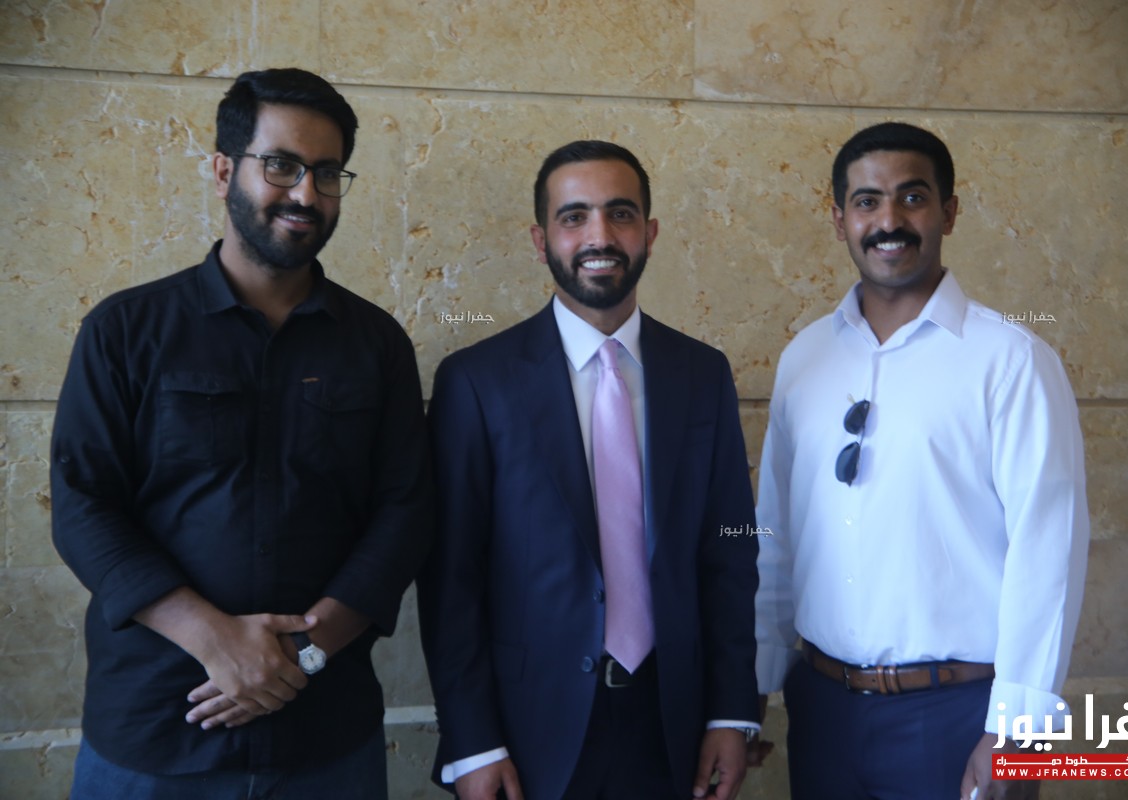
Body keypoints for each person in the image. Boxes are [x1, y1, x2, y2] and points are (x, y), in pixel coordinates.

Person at [50, 68, 434, 799]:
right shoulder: (124, 331)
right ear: (225, 170)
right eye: (281, 165)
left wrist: (302, 655)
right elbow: (82, 505)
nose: (306, 194)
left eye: (327, 173)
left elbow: (405, 511)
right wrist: (216, 641)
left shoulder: (377, 343)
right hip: (157, 731)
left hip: (325, 730)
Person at [753, 122, 1089, 800]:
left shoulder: (1010, 360)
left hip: (958, 718)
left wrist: (1017, 733)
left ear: (949, 212)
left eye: (913, 198)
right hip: (820, 710)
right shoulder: (804, 358)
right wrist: (754, 688)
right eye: (867, 201)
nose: (889, 221)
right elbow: (775, 537)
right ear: (840, 219)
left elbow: (1048, 550)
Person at [418, 140, 761, 800]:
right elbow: (449, 579)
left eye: (620, 214)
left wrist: (730, 712)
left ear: (649, 233)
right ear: (540, 240)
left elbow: (730, 553)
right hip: (528, 732)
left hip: (675, 723)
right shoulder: (477, 382)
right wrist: (473, 743)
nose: (599, 236)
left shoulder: (702, 373)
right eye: (574, 217)